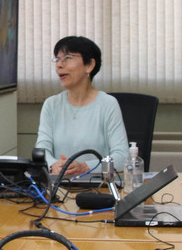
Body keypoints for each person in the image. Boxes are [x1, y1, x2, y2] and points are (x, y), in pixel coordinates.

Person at [35, 36, 129, 178]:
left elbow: (122, 157)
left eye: (67, 58)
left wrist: (86, 167)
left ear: (89, 65)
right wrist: (54, 165)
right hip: (59, 184)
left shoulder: (108, 104)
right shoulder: (51, 105)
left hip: (97, 186)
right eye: (57, 59)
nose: (59, 65)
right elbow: (41, 151)